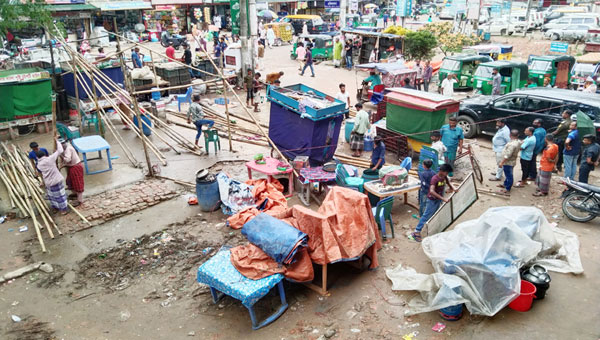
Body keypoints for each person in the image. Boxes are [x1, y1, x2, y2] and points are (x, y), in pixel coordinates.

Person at [410, 163, 456, 242]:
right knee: (426, 215)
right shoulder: (435, 178)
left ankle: (430, 226)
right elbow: (431, 191)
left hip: (438, 200)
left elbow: (448, 183)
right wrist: (443, 198)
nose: (447, 174)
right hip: (432, 200)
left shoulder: (444, 177)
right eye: (446, 172)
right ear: (441, 171)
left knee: (434, 214)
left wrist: (453, 188)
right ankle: (416, 232)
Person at [37, 139, 68, 215]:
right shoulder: (50, 159)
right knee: (60, 196)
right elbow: (60, 150)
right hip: (56, 180)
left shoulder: (39, 165)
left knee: (52, 196)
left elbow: (40, 173)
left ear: (37, 157)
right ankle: (63, 210)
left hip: (48, 182)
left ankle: (55, 208)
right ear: (44, 155)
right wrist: (56, 141)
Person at [496, 129, 521, 196]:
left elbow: (507, 155)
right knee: (508, 174)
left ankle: (507, 189)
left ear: (510, 135)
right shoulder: (518, 142)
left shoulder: (512, 145)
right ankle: (505, 184)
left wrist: (502, 162)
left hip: (508, 162)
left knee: (509, 175)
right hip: (512, 161)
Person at [60, 139, 84, 206]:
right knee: (69, 181)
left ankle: (80, 200)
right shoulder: (66, 148)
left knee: (77, 183)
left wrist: (61, 155)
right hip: (71, 167)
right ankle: (75, 194)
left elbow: (68, 160)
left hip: (75, 167)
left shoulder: (68, 149)